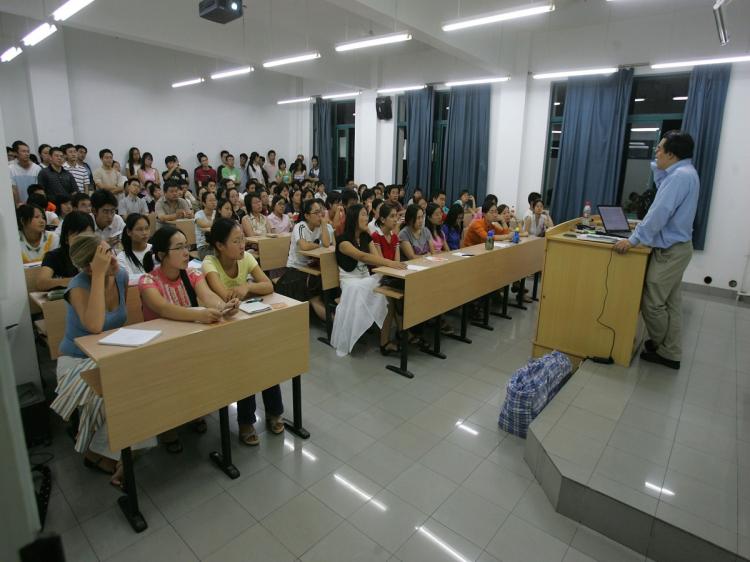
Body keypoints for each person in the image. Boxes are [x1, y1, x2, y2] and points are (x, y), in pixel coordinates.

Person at [50, 234, 155, 487]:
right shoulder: (77, 286)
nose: (114, 258)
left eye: (111, 251)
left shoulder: (119, 276)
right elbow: (95, 326)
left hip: (109, 352)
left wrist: (106, 271)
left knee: (146, 383)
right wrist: (98, 276)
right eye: (105, 256)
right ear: (89, 266)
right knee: (114, 393)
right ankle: (100, 453)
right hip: (77, 360)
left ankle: (123, 449)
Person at [138, 226, 240, 451]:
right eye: (179, 247)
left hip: (189, 341)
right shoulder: (147, 281)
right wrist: (199, 314)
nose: (186, 252)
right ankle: (167, 426)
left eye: (187, 246)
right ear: (162, 254)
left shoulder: (192, 274)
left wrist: (224, 307)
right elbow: (164, 309)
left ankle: (194, 410)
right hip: (160, 348)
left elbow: (208, 296)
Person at [613, 131, 699, 370]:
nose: (656, 152)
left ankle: (664, 347)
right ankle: (670, 350)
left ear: (672, 154)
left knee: (652, 302)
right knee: (670, 303)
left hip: (671, 251)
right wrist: (658, 165)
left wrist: (633, 240)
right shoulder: (684, 172)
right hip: (678, 248)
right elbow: (662, 187)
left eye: (660, 149)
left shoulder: (680, 177)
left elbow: (659, 212)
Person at [202, 218, 283, 444]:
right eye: (236, 241)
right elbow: (224, 295)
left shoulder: (246, 258)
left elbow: (268, 285)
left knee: (266, 360)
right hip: (222, 331)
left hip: (247, 323)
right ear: (219, 245)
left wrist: (247, 286)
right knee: (245, 366)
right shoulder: (209, 263)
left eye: (242, 239)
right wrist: (241, 291)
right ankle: (246, 421)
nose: (242, 245)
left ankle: (274, 412)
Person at [331, 204, 406, 356]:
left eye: (367, 215)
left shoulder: (366, 237)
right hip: (351, 284)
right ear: (354, 218)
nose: (367, 218)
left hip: (365, 280)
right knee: (386, 294)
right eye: (363, 215)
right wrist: (391, 263)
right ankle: (386, 341)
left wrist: (389, 265)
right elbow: (362, 256)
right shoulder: (343, 240)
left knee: (390, 291)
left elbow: (377, 260)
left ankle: (395, 336)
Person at [276, 199, 333, 321]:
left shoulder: (321, 227)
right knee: (314, 292)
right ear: (307, 216)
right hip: (296, 269)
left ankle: (329, 317)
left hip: (313, 268)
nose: (320, 215)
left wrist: (323, 224)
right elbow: (304, 246)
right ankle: (333, 322)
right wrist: (319, 245)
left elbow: (327, 244)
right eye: (316, 212)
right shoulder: (300, 226)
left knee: (328, 281)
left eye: (321, 212)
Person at [38, 211, 94, 290]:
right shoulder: (54, 256)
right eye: (78, 236)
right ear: (66, 238)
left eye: (87, 236)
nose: (83, 240)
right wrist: (76, 281)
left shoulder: (98, 254)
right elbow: (42, 283)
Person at [9, 140, 41, 206]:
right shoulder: (10, 168)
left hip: (35, 205)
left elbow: (38, 190)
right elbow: (13, 189)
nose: (27, 154)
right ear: (16, 153)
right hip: (19, 205)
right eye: (23, 151)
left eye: (28, 151)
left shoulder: (37, 168)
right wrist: (18, 205)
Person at [195, 191, 217, 259]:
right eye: (210, 200)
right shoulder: (198, 214)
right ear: (204, 203)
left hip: (216, 245)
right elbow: (204, 225)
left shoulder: (216, 213)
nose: (213, 202)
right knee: (221, 255)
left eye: (214, 200)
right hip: (203, 247)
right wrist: (218, 222)